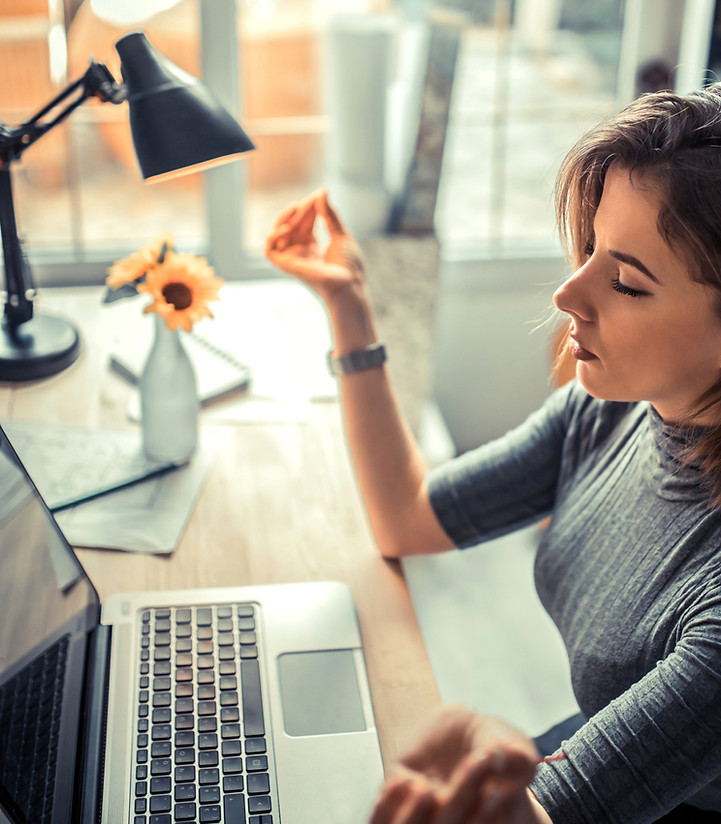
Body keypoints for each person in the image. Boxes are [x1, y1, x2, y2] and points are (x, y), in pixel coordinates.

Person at [265, 83, 721, 824]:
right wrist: (350, 306)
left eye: (626, 282)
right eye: (589, 249)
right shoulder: (609, 411)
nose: (568, 294)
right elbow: (407, 518)